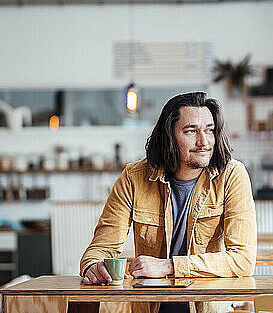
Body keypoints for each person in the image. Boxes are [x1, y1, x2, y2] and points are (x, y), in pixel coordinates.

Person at [80, 91, 257, 313]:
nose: (204, 142)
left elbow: (243, 260)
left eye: (209, 130)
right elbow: (100, 249)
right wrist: (92, 267)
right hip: (150, 308)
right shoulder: (134, 177)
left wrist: (169, 266)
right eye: (191, 131)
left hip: (208, 309)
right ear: (170, 135)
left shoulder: (232, 175)